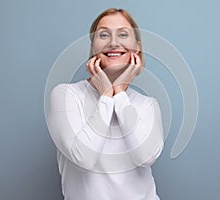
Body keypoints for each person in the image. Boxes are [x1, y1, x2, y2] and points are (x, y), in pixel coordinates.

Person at [47, 8, 164, 200]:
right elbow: (83, 157)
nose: (113, 42)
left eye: (123, 34)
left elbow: (146, 156)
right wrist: (106, 96)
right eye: (103, 35)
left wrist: (119, 95)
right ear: (94, 46)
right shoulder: (66, 95)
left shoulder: (148, 105)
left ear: (137, 47)